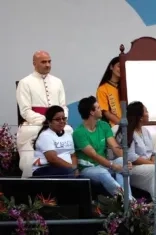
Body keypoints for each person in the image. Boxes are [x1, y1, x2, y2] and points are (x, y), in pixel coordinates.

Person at [16, 50, 72, 178]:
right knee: (29, 163)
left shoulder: (58, 82)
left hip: (57, 125)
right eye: (43, 62)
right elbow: (25, 111)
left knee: (68, 131)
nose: (47, 65)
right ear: (34, 63)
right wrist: (47, 121)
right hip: (34, 126)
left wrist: (61, 119)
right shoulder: (25, 83)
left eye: (49, 61)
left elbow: (63, 106)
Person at [116, 101, 156, 207]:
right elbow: (131, 157)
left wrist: (153, 162)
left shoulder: (146, 131)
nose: (148, 114)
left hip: (149, 168)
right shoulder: (127, 132)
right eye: (146, 111)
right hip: (133, 168)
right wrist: (152, 164)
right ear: (139, 116)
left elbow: (152, 152)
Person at [72, 96, 134, 200]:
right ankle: (131, 203)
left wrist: (125, 161)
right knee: (103, 173)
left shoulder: (104, 125)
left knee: (121, 162)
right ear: (92, 112)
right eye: (98, 108)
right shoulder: (78, 133)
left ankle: (126, 204)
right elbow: (94, 155)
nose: (101, 110)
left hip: (104, 165)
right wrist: (111, 165)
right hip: (88, 169)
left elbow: (114, 146)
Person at [32, 105, 77, 178]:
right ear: (49, 121)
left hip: (67, 169)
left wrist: (75, 168)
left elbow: (73, 156)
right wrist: (72, 168)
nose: (62, 121)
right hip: (43, 169)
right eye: (58, 119)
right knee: (68, 173)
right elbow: (53, 160)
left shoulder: (68, 135)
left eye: (63, 118)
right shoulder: (45, 136)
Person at [96, 56, 121, 134]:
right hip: (113, 127)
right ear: (111, 67)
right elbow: (106, 113)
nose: (121, 69)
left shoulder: (125, 87)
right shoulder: (102, 89)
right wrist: (123, 124)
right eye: (119, 66)